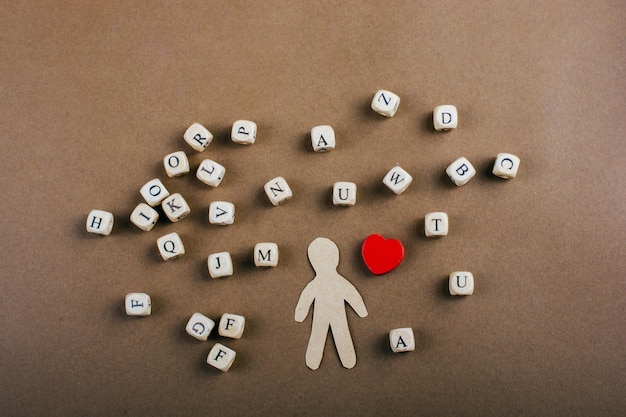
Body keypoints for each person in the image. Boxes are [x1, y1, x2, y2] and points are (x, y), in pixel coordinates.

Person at [295, 237, 368, 370]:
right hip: (323, 316)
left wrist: (300, 314)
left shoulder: (326, 283)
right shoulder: (330, 283)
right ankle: (318, 361)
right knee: (322, 335)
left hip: (333, 315)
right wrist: (361, 311)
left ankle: (346, 360)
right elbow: (352, 294)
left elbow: (352, 295)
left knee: (336, 334)